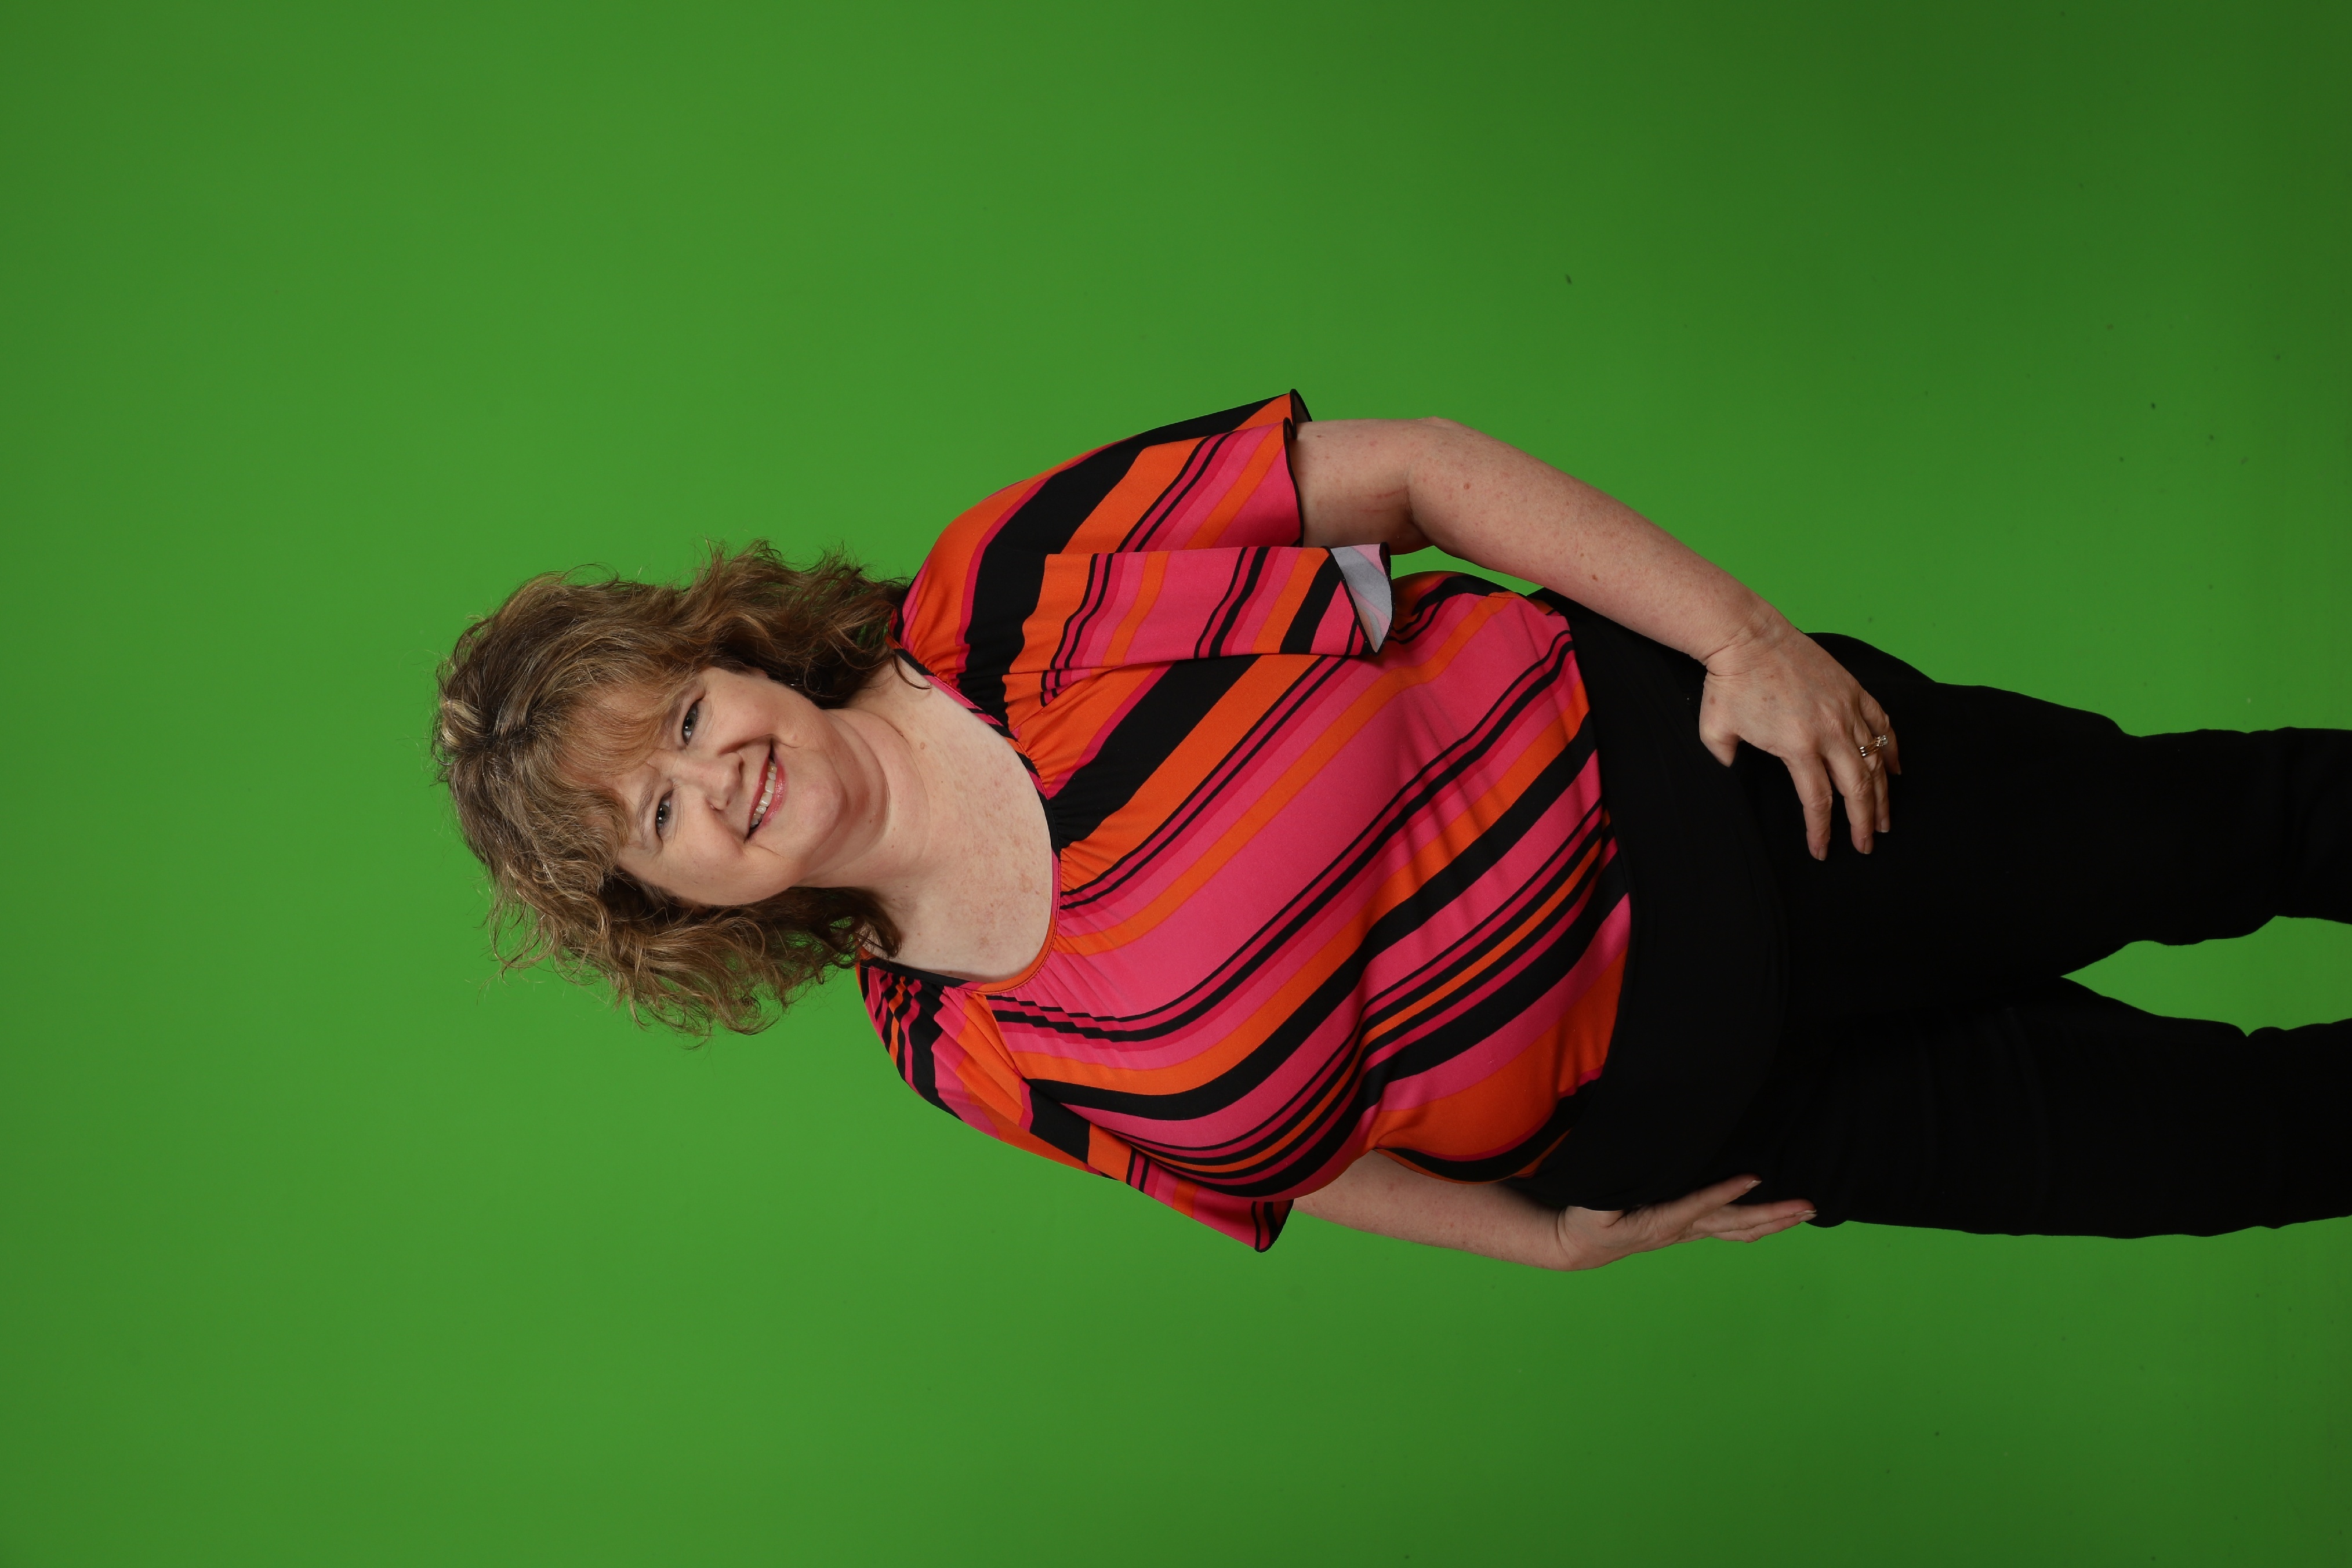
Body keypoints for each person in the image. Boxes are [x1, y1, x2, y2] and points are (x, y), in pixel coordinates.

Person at [433, 393, 2352, 1271]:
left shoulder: (1010, 588)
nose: (720, 780)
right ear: (671, 901)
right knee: (2240, 1151)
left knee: (2248, 830)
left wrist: (1748, 639)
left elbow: (1417, 475)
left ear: (729, 654)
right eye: (662, 815)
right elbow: (1272, 1154)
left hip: (1759, 811)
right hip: (1714, 1118)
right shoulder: (947, 1044)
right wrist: (1538, 1242)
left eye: (686, 720)